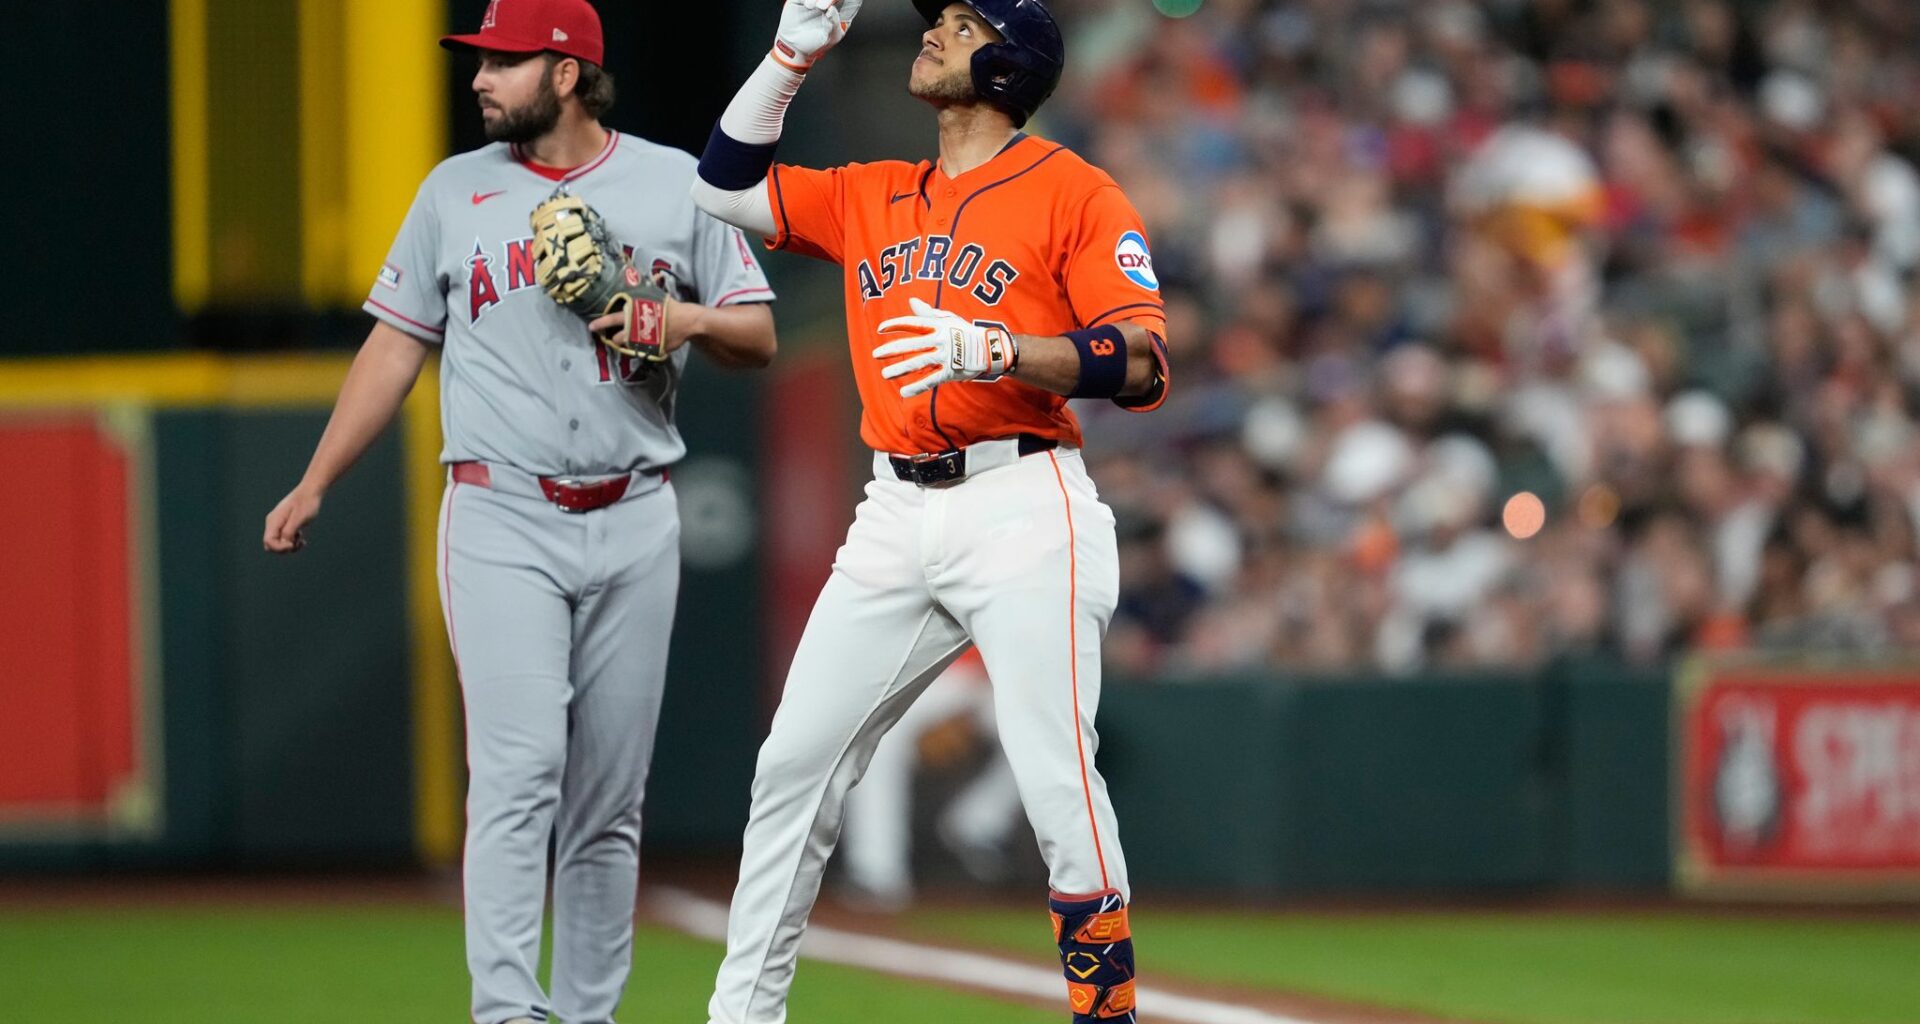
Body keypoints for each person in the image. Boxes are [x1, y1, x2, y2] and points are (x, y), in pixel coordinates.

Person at [262, 2, 778, 1021]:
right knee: (519, 769)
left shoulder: (676, 182)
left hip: (636, 513)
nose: (480, 79)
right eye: (481, 60)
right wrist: (316, 478)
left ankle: (587, 1013)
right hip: (502, 514)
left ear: (567, 72)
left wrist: (675, 317)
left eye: (502, 61)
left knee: (609, 800)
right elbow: (395, 346)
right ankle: (505, 1011)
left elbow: (755, 336)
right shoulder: (453, 191)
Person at [688, 0, 1169, 1019]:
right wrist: (788, 57)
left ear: (1011, 65)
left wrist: (1003, 350)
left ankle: (1108, 1013)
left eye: (962, 23)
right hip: (895, 507)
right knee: (794, 763)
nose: (934, 32)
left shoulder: (1074, 190)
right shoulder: (875, 191)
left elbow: (1140, 360)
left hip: (1024, 498)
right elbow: (723, 185)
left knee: (1056, 784)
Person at [838, 650, 1026, 910]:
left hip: (998, 681)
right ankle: (876, 872)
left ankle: (979, 825)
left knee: (1039, 735)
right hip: (931, 675)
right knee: (877, 743)